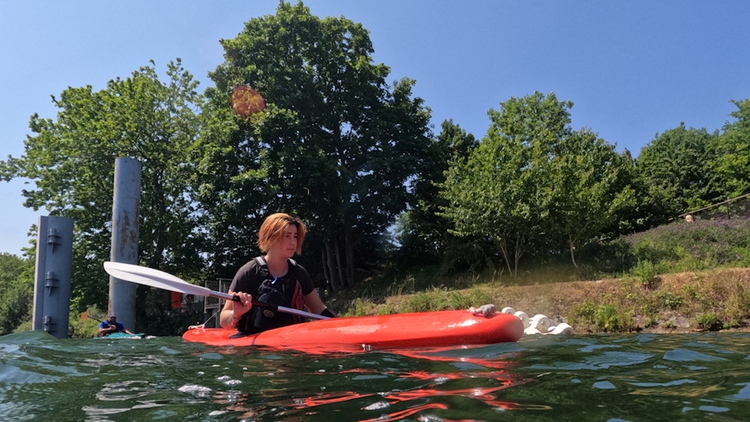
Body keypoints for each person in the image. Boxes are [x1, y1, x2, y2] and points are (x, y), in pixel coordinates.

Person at [220, 213, 335, 334]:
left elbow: (318, 310)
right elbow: (224, 319)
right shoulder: (249, 271)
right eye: (287, 236)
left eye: (295, 236)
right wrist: (235, 315)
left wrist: (342, 325)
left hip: (292, 344)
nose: (293, 242)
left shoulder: (299, 273)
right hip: (254, 347)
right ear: (271, 237)